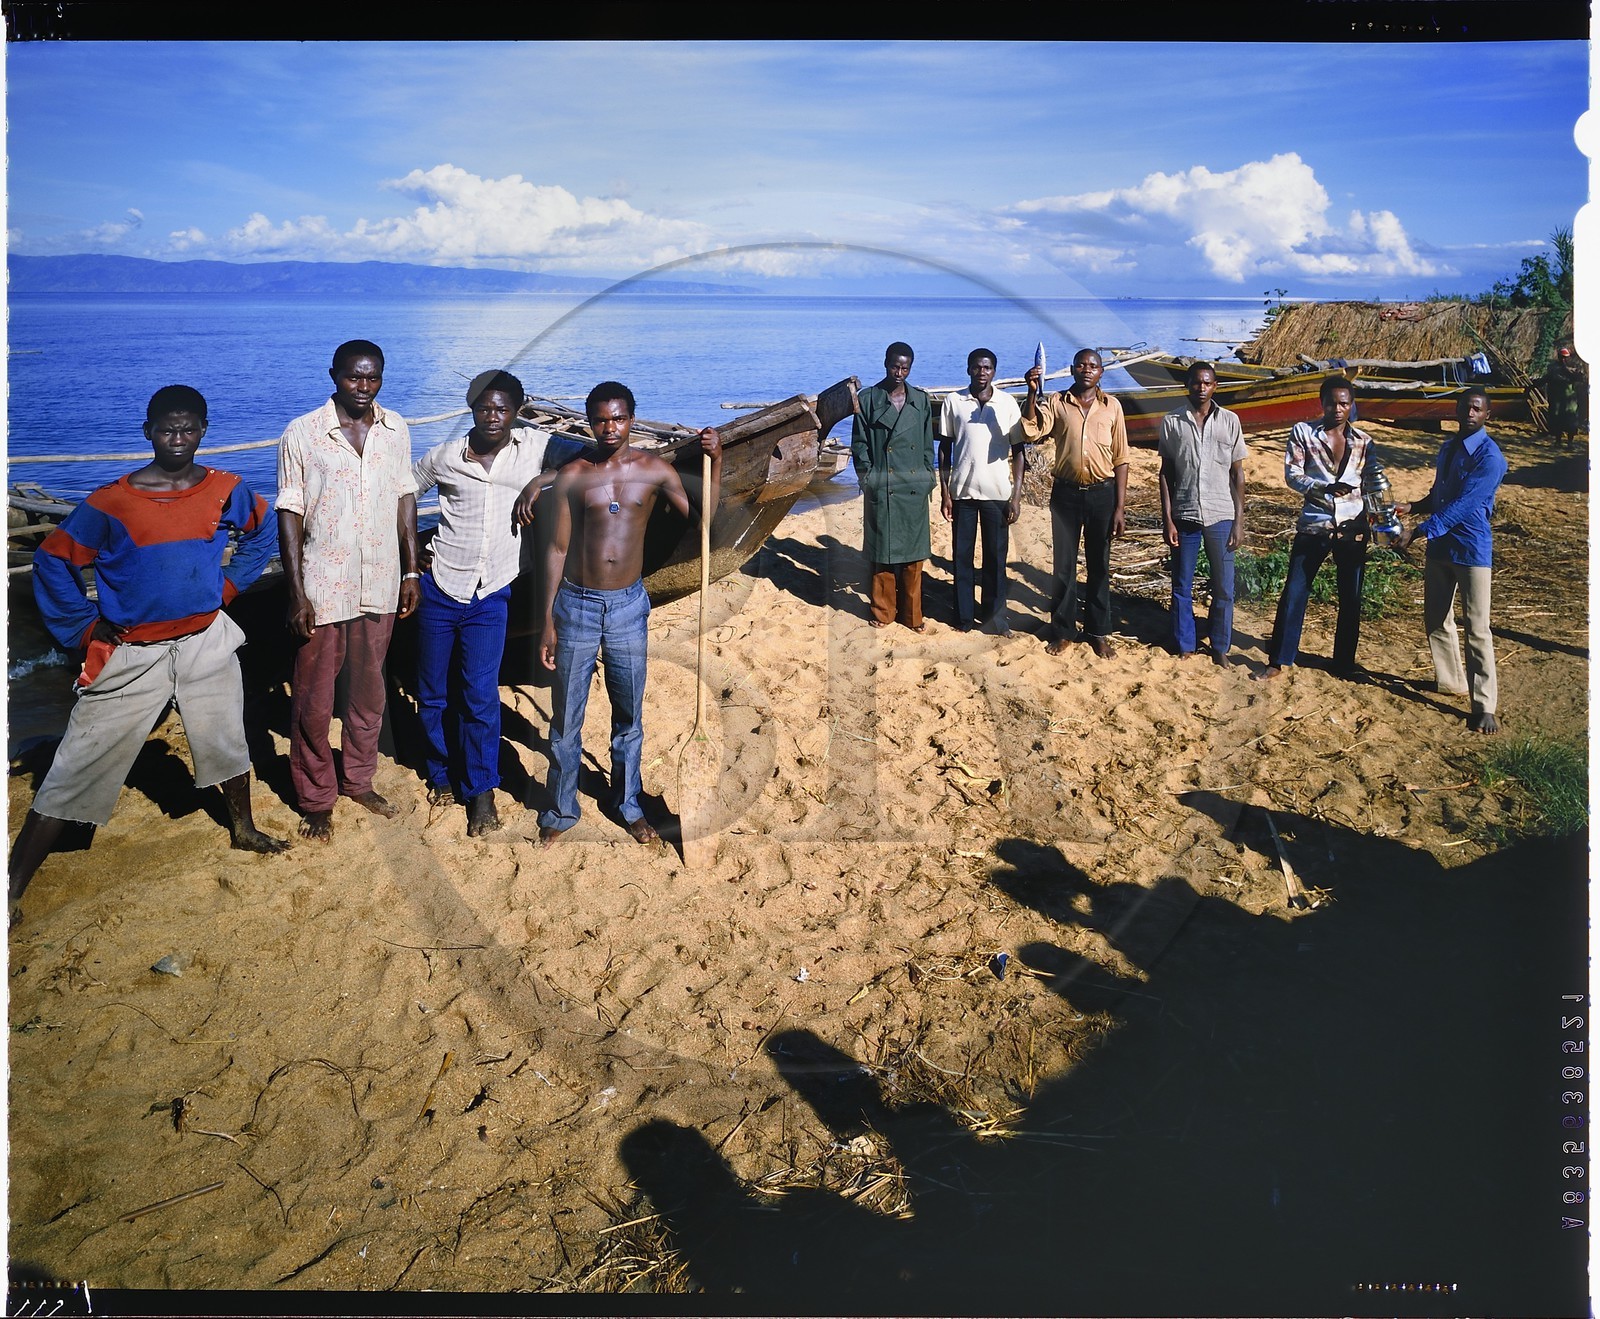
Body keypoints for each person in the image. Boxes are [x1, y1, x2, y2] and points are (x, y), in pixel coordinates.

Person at [9, 385, 289, 916]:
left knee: (225, 738)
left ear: (204, 431)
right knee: (76, 760)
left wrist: (226, 589)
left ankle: (243, 828)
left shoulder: (227, 489)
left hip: (206, 640)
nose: (177, 439)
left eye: (188, 429)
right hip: (131, 651)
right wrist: (81, 629)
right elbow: (52, 560)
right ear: (148, 433)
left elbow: (262, 532)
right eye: (167, 429)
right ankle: (13, 886)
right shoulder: (110, 502)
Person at [537, 382, 721, 848]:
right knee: (565, 722)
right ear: (588, 421)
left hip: (627, 607)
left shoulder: (654, 470)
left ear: (632, 419)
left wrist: (716, 461)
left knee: (629, 716)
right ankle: (560, 810)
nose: (609, 428)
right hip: (576, 604)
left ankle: (629, 805)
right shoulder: (574, 474)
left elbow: (703, 520)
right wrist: (547, 620)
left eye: (618, 419)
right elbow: (557, 548)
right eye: (600, 420)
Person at [410, 370, 585, 836]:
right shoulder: (444, 457)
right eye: (485, 408)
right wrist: (412, 557)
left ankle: (481, 792)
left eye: (503, 408)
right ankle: (442, 774)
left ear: (516, 411)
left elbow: (588, 457)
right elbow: (402, 494)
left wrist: (540, 482)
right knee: (431, 694)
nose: (494, 416)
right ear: (472, 409)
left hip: (493, 594)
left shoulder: (531, 446)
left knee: (480, 696)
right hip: (440, 588)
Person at [277, 340, 420, 840]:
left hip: (380, 580)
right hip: (323, 585)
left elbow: (405, 499)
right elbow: (290, 514)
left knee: (368, 690)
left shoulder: (396, 429)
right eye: (354, 377)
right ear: (333, 375)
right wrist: (297, 593)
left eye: (373, 377)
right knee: (313, 699)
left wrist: (411, 570)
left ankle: (358, 780)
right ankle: (316, 798)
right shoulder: (303, 433)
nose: (364, 386)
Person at [1396, 387, 1509, 733]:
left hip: (1472, 549)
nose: (1469, 413)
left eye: (1476, 409)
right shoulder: (1448, 448)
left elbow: (1464, 505)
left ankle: (1484, 704)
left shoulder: (1491, 458)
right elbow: (1441, 496)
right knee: (1436, 618)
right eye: (1465, 407)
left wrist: (1417, 531)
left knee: (1477, 628)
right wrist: (1414, 507)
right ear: (1457, 410)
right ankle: (1450, 681)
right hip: (1441, 548)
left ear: (1487, 415)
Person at [1256, 376, 1375, 682]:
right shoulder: (1303, 433)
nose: (1338, 408)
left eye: (1344, 403)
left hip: (1352, 527)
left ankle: (1343, 662)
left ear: (1351, 405)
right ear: (1322, 403)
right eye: (1332, 402)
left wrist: (1376, 517)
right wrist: (1323, 487)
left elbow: (1371, 485)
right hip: (1316, 524)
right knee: (1295, 591)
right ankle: (1279, 660)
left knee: (1351, 597)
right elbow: (1292, 474)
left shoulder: (1363, 442)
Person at [1021, 348, 1129, 658]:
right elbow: (1032, 431)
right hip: (1066, 494)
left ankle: (1098, 633)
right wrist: (1031, 395)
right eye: (1081, 364)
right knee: (1064, 567)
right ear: (1071, 369)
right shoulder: (1056, 402)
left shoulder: (1113, 408)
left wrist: (1119, 507)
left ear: (1101, 372)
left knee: (1099, 566)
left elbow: (1121, 458)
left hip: (1102, 494)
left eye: (1093, 365)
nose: (1086, 369)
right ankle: (1063, 631)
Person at [1158, 362, 1247, 665]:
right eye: (1196, 383)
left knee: (1224, 586)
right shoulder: (1172, 422)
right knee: (1182, 585)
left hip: (1221, 515)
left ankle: (1220, 647)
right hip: (1184, 514)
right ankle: (1186, 644)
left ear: (1215, 386)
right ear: (1188, 385)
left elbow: (1238, 475)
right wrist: (1167, 518)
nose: (1201, 388)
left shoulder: (1230, 421)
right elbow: (1165, 473)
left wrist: (1239, 521)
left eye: (1207, 383)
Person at [938, 348, 1025, 636]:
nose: (982, 372)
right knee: (961, 559)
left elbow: (1018, 451)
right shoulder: (954, 401)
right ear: (968, 370)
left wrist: (1016, 497)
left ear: (994, 371)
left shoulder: (1007, 403)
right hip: (962, 492)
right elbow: (945, 449)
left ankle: (995, 620)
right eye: (976, 367)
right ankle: (963, 618)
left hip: (998, 494)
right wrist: (945, 492)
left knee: (995, 561)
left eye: (987, 368)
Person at [852, 342, 937, 632]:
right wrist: (869, 479)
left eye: (905, 367)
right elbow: (859, 445)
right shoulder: (868, 398)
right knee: (882, 554)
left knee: (913, 559)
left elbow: (928, 446)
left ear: (911, 367)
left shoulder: (921, 401)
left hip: (913, 488)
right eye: (894, 366)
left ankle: (913, 616)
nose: (899, 372)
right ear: (885, 362)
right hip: (883, 486)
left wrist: (928, 477)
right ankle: (884, 611)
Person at [1536, 342, 1588, 444]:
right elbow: (1545, 379)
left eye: (1565, 358)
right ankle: (1558, 441)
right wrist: (1533, 385)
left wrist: (1566, 369)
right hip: (1557, 402)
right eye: (1562, 357)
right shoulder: (1553, 369)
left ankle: (1570, 443)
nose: (1563, 360)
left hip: (1569, 402)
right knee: (1557, 421)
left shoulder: (1574, 369)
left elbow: (1580, 378)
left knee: (1571, 422)